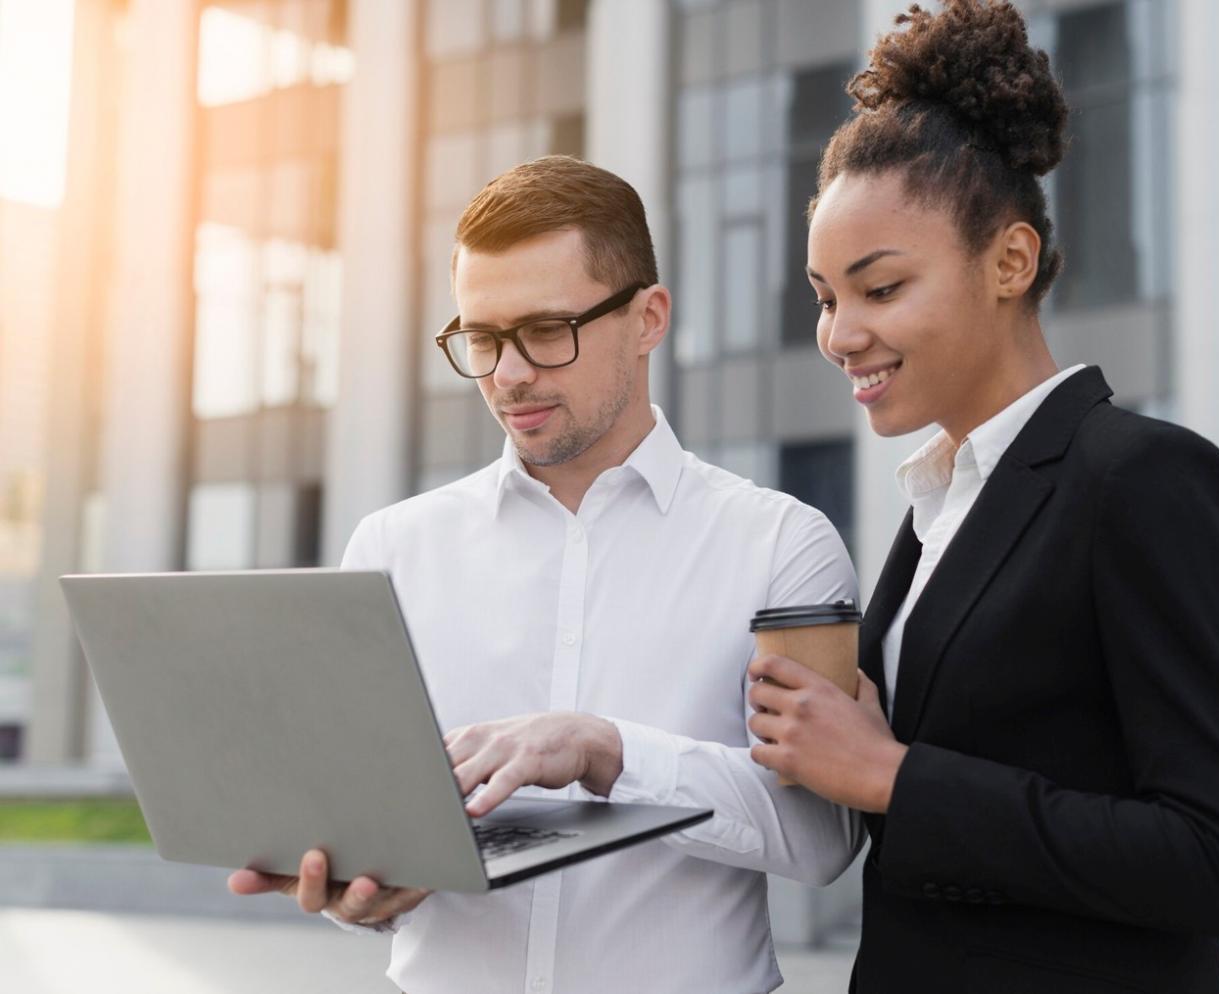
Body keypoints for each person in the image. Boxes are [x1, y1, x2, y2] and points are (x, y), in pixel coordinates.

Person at [743, 3, 1219, 992]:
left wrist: (893, 772)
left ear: (1010, 261)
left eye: (880, 287)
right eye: (825, 296)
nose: (840, 333)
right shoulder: (934, 511)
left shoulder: (1141, 478)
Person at [227, 155, 860, 994]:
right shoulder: (390, 549)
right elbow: (368, 834)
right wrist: (365, 893)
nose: (509, 373)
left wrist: (607, 749)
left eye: (545, 331)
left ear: (648, 318)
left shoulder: (782, 543)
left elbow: (820, 842)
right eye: (482, 338)